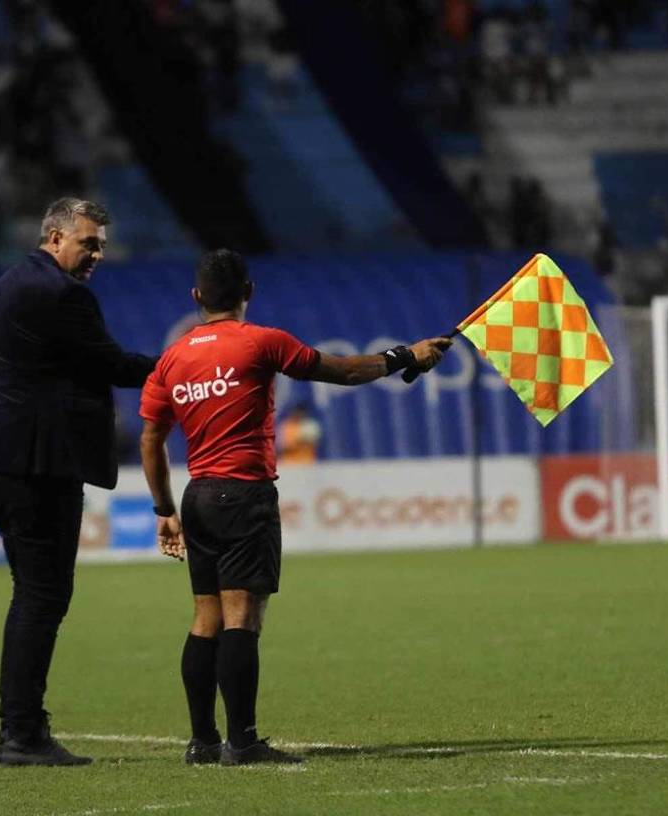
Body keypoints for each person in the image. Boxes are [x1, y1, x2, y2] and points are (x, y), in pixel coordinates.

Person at [139, 249, 451, 765]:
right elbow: (345, 371)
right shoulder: (262, 342)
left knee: (205, 618)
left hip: (198, 497)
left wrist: (163, 509)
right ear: (248, 291)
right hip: (245, 494)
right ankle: (243, 743)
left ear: (196, 297)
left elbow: (151, 438)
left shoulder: (171, 358)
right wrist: (405, 356)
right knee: (242, 618)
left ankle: (203, 741)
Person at [0, 197, 157, 767]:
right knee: (43, 596)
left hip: (4, 457)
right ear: (54, 237)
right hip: (36, 462)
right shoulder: (61, 294)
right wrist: (184, 364)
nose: (97, 254)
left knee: (34, 593)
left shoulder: (13, 283)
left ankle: (20, 728)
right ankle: (21, 733)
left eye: (101, 245)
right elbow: (111, 364)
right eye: (88, 243)